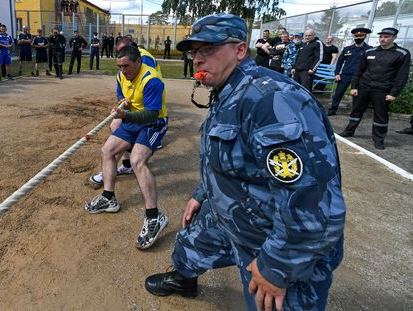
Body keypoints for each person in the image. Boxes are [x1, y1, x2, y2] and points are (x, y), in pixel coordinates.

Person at [144, 14, 346, 311]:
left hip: (271, 238)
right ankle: (184, 278)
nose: (197, 59)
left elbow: (314, 205)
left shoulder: (270, 101)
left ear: (240, 50)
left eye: (208, 49)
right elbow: (230, 155)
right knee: (190, 243)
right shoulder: (230, 90)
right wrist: (202, 194)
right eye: (194, 51)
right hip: (232, 211)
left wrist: (277, 268)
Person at [84, 45, 169, 250]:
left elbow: (151, 114)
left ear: (138, 62)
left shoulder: (152, 80)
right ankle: (109, 198)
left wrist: (125, 116)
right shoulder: (121, 76)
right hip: (132, 120)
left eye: (127, 66)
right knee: (107, 151)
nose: (123, 71)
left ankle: (154, 217)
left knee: (137, 160)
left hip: (153, 123)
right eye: (120, 66)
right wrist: (123, 105)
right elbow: (122, 96)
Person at [88, 35, 164, 186]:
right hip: (133, 107)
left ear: (133, 50)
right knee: (115, 126)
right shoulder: (123, 69)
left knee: (123, 130)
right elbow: (122, 89)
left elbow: (146, 85)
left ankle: (124, 163)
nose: (120, 57)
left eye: (123, 52)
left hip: (147, 108)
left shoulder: (144, 60)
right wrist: (123, 100)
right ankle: (124, 166)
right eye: (118, 53)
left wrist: (127, 113)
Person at [339, 27, 411, 150]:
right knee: (356, 110)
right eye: (381, 36)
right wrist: (354, 86)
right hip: (364, 87)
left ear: (394, 38)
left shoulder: (402, 54)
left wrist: (394, 93)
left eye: (386, 37)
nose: (383, 39)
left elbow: (402, 76)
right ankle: (349, 131)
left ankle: (379, 139)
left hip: (383, 89)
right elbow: (359, 70)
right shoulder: (369, 52)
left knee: (380, 115)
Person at [327, 28, 372, 116]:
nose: (358, 37)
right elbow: (339, 62)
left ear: (365, 36)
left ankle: (355, 113)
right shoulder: (347, 49)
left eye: (360, 36)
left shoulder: (369, 50)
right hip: (345, 75)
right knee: (338, 94)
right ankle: (332, 110)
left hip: (360, 77)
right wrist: (336, 73)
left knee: (356, 96)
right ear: (353, 37)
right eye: (356, 36)